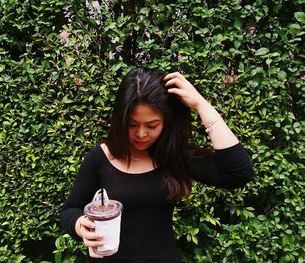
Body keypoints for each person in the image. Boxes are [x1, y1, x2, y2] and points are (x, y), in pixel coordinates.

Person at [60, 68, 254, 263]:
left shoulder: (174, 155)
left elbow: (237, 173)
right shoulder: (101, 157)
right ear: (121, 120)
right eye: (132, 124)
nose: (141, 134)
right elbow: (70, 210)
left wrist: (201, 105)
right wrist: (79, 225)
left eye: (152, 125)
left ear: (165, 121)